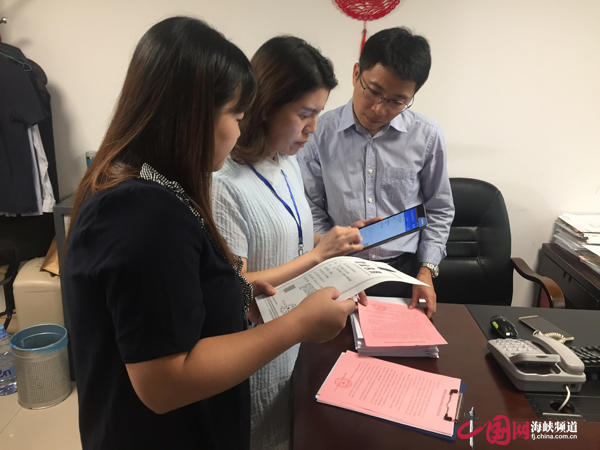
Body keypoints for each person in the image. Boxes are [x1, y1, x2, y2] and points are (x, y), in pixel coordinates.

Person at [63, 18, 360, 450]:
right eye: (236, 115)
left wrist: (235, 290)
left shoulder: (148, 184)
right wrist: (298, 324)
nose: (239, 130)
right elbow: (164, 382)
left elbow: (168, 296)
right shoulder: (143, 212)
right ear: (193, 117)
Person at [212, 36, 372, 450]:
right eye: (304, 114)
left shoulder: (286, 162)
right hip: (255, 349)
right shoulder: (223, 182)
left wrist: (330, 244)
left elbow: (287, 237)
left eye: (318, 113)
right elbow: (234, 284)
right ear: (265, 106)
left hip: (294, 342)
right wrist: (318, 255)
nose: (312, 128)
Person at [298, 27, 455, 318]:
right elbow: (311, 205)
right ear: (356, 73)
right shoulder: (319, 132)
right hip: (339, 268)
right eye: (373, 91)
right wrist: (330, 253)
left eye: (397, 101)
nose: (379, 108)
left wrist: (426, 270)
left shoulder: (427, 136)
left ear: (412, 96)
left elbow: (439, 208)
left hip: (403, 272)